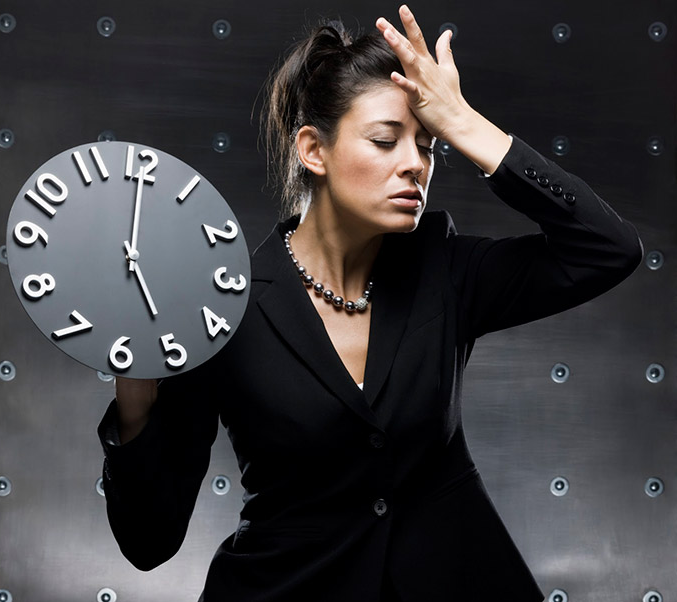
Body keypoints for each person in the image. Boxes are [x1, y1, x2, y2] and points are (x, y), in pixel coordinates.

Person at [97, 5, 643, 601]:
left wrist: (464, 122)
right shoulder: (221, 307)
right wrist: (136, 386)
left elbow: (607, 250)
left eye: (429, 147)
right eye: (386, 140)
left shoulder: (445, 270)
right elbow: (148, 540)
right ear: (313, 150)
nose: (415, 165)